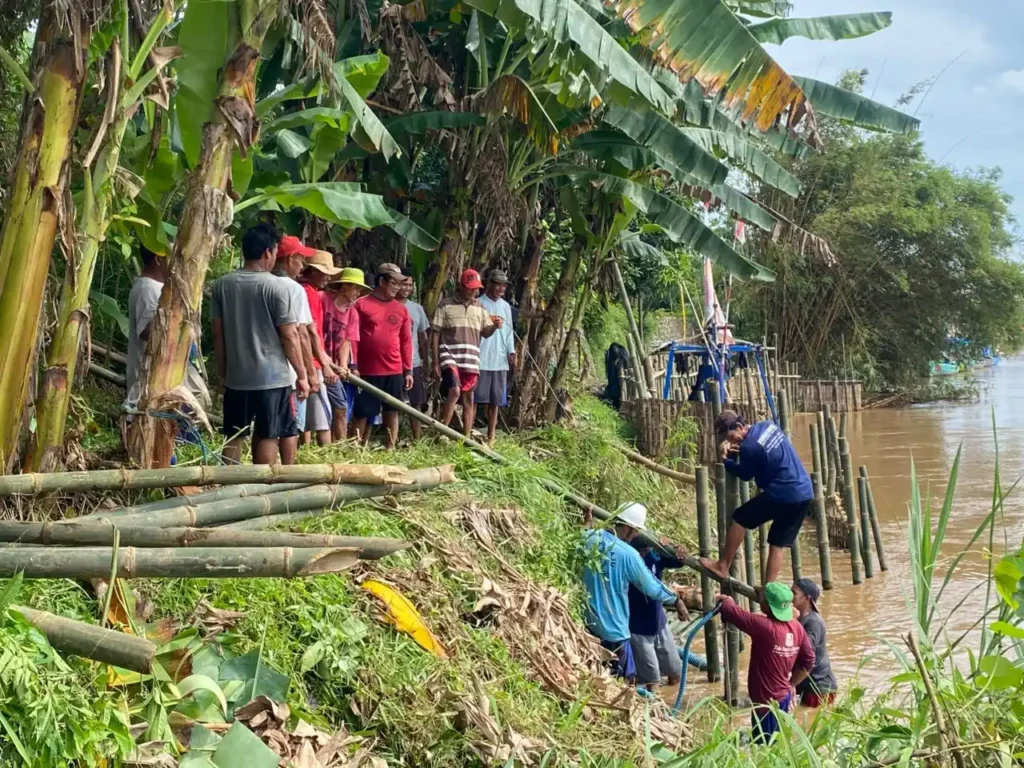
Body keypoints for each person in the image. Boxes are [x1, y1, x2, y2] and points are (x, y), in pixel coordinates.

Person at [211, 223, 308, 465]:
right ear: (267, 252)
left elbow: (217, 334)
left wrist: (222, 373)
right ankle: (260, 489)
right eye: (275, 251)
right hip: (272, 379)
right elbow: (290, 335)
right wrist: (302, 374)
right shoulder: (276, 287)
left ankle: (229, 484)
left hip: (237, 377)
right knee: (268, 434)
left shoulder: (222, 285)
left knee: (234, 434)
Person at [699, 410, 813, 584]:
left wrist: (726, 461)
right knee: (777, 544)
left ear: (739, 427)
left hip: (782, 492)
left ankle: (723, 565)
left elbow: (745, 474)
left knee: (740, 518)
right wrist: (742, 450)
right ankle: (768, 590)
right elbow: (765, 451)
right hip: (804, 492)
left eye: (731, 437)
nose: (731, 441)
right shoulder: (768, 425)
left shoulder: (748, 448)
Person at [581, 502, 688, 682]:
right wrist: (676, 600)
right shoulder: (628, 554)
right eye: (637, 530)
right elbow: (652, 587)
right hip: (616, 632)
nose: (638, 534)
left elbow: (584, 535)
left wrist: (588, 522)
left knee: (600, 679)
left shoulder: (588, 539)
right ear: (629, 528)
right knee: (625, 683)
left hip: (589, 626)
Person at [716, 582, 815, 744]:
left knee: (765, 746)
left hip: (766, 701)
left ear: (767, 606)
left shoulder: (764, 627)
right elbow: (809, 661)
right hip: (783, 695)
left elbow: (732, 611)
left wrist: (726, 600)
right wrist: (791, 684)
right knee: (775, 739)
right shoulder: (796, 626)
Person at [432, 269, 502, 438]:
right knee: (455, 390)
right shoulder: (445, 305)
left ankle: (465, 438)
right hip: (449, 354)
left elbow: (485, 332)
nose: (474, 292)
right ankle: (442, 432)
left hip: (471, 358)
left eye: (476, 288)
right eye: (470, 288)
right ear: (461, 286)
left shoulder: (480, 308)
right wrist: (435, 362)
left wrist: (494, 326)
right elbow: (435, 333)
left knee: (468, 397)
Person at [350, 263, 413, 448]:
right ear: (382, 281)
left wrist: (408, 370)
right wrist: (353, 366)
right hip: (367, 370)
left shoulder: (401, 309)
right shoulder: (362, 304)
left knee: (392, 410)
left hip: (394, 369)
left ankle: (390, 448)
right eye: (394, 283)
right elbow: (352, 338)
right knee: (363, 412)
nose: (398, 287)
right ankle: (356, 448)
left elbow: (406, 341)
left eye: (400, 283)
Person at [273, 235, 319, 463]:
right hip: (287, 371)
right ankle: (288, 472)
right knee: (289, 426)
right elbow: (299, 333)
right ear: (290, 259)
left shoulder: (260, 283)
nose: (303, 266)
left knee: (267, 430)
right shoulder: (294, 289)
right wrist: (308, 374)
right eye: (301, 260)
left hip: (257, 372)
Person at [297, 249, 343, 446]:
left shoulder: (303, 291)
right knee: (322, 417)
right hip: (311, 363)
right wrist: (323, 364)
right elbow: (310, 332)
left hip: (306, 360)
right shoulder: (309, 295)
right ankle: (326, 454)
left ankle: (307, 450)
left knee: (305, 415)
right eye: (324, 273)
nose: (327, 278)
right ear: (312, 271)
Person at [628, 537, 686, 689]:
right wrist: (677, 602)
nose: (644, 553)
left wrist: (677, 550)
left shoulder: (654, 555)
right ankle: (654, 709)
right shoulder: (627, 558)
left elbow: (678, 561)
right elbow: (650, 587)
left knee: (675, 672)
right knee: (652, 681)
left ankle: (673, 705)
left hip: (659, 624)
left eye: (646, 550)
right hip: (638, 630)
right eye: (641, 551)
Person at [322, 268, 369, 441]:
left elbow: (346, 342)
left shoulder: (352, 313)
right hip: (315, 359)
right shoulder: (323, 300)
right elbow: (312, 331)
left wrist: (342, 366)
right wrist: (323, 362)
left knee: (340, 405)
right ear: (345, 286)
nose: (358, 293)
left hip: (332, 365)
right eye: (356, 288)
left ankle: (340, 443)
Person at [476, 268, 515, 445]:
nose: (500, 289)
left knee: (496, 400)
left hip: (499, 358)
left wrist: (511, 351)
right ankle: (467, 432)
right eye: (497, 284)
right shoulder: (478, 303)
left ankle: (491, 435)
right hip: (481, 357)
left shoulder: (505, 306)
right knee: (475, 397)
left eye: (503, 285)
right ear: (489, 284)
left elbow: (509, 332)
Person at [125, 245, 168, 406]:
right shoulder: (148, 289)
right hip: (147, 379)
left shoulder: (154, 287)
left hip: (153, 380)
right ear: (158, 259)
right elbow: (147, 333)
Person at [791, 578, 837, 708]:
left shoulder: (814, 623)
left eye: (794, 593)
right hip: (806, 682)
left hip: (819, 687)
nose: (789, 597)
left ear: (806, 598)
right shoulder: (798, 617)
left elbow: (805, 652)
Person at [397, 269, 431, 439]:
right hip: (392, 363)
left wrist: (426, 361)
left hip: (414, 362)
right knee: (393, 403)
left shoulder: (417, 309)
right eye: (404, 284)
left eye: (410, 285)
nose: (407, 288)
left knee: (416, 402)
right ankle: (392, 437)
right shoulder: (389, 305)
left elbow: (423, 337)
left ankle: (416, 438)